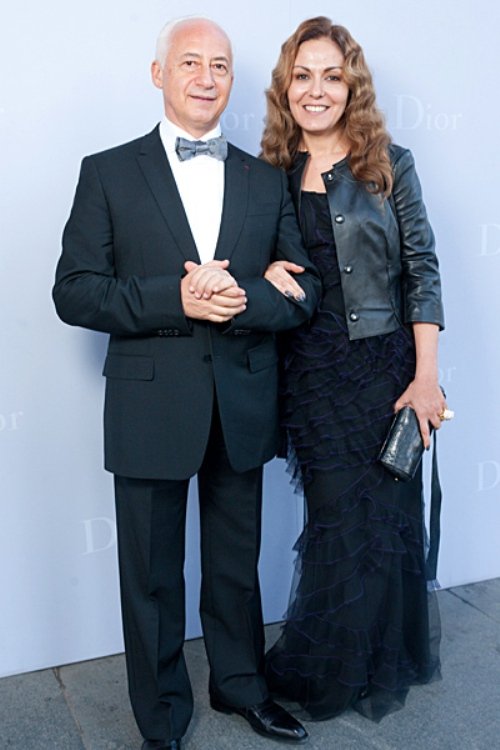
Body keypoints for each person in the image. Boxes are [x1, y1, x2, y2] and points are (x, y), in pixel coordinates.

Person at [53, 16, 320, 750]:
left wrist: (240, 298)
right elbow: (74, 291)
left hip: (241, 403)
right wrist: (177, 299)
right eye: (191, 63)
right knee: (152, 578)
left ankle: (240, 687)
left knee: (235, 568)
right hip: (149, 405)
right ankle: (163, 717)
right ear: (159, 74)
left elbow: (304, 291)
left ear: (232, 79)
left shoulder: (266, 179)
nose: (207, 78)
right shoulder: (106, 172)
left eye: (221, 65)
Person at [260, 16, 447, 722]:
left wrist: (425, 378)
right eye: (303, 75)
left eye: (331, 76)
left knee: (387, 520)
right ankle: (334, 664)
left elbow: (422, 271)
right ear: (287, 87)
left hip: (385, 367)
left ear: (352, 87)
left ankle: (380, 660)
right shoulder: (268, 175)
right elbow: (255, 265)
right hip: (311, 375)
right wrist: (262, 271)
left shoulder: (390, 164)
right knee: (336, 522)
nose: (317, 90)